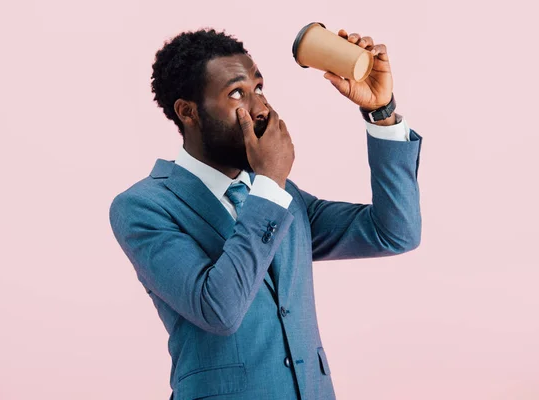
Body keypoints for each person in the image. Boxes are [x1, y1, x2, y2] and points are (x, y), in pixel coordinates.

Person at [109, 27, 423, 400]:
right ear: (188, 112)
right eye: (237, 93)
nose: (261, 108)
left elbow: (394, 233)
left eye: (259, 88)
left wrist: (380, 111)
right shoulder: (145, 207)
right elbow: (219, 309)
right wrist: (270, 183)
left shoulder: (281, 195)